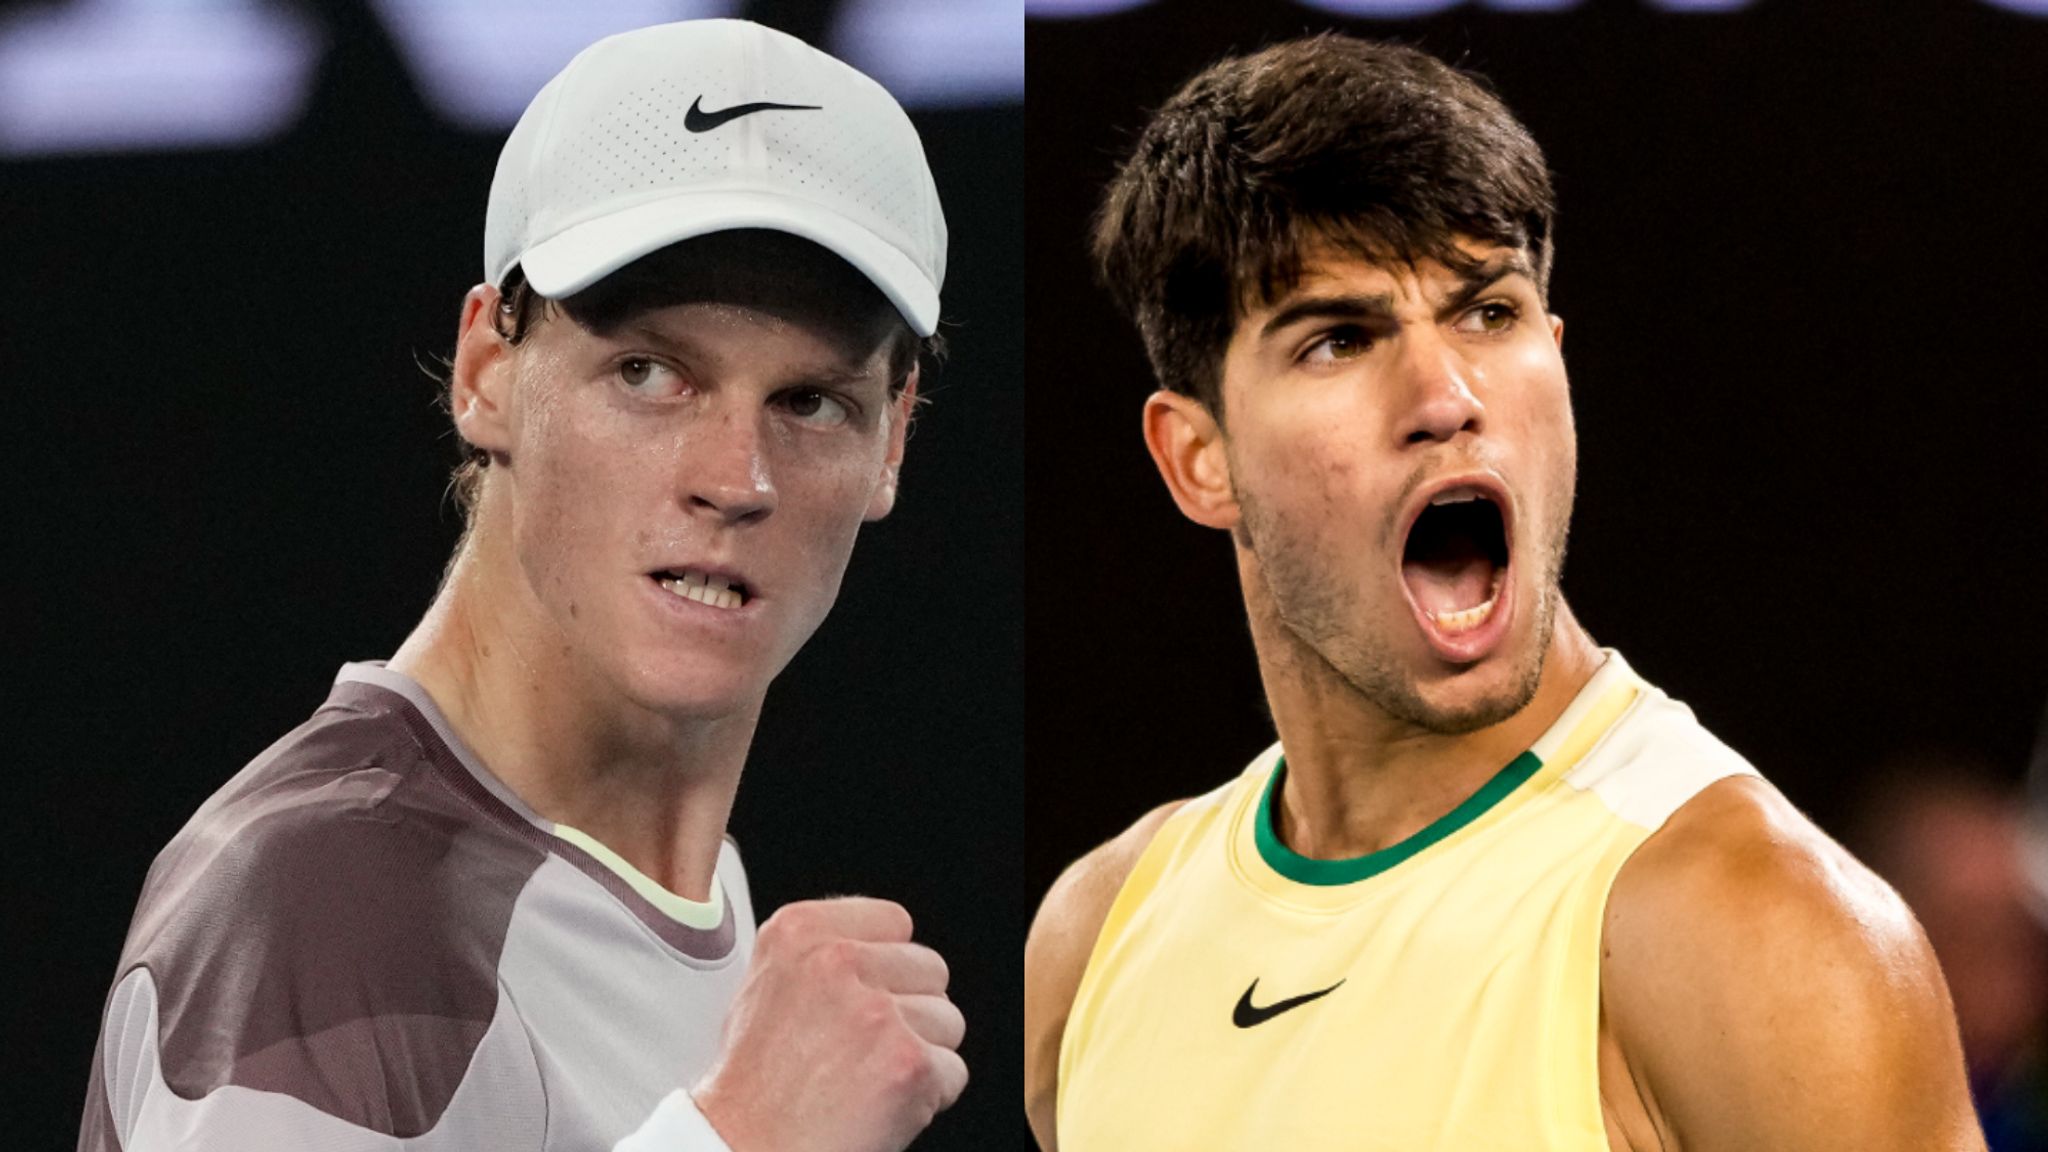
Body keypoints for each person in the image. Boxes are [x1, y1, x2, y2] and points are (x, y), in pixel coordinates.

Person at [1024, 33, 1983, 1151]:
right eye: (1340, 338)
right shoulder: (1097, 939)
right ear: (1198, 458)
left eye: (1489, 312)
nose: (1446, 394)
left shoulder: (1757, 935)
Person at [79, 19, 963, 1152]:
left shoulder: (692, 897)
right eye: (648, 373)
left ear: (891, 443)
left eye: (809, 404)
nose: (736, 480)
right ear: (487, 372)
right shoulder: (326, 906)